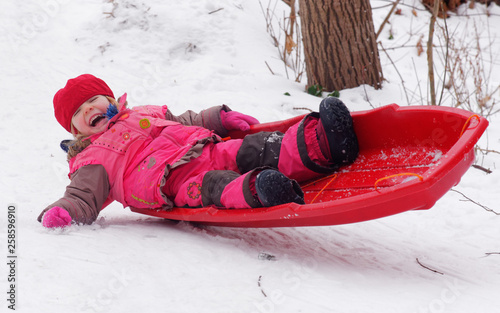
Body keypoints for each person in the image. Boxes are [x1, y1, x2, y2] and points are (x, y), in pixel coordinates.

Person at [38, 74, 358, 228]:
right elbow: (83, 196)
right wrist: (66, 211)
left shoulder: (143, 113)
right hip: (175, 183)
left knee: (256, 148)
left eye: (95, 99)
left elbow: (183, 120)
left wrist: (217, 117)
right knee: (218, 186)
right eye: (79, 111)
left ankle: (325, 144)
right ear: (75, 130)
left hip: (204, 148)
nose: (90, 108)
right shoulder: (92, 157)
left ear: (110, 100)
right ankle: (263, 190)